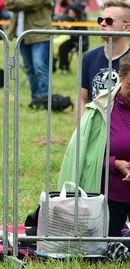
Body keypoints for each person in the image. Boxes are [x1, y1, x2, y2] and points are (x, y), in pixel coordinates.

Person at [58, 54, 130, 244]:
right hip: (112, 196)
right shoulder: (101, 109)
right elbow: (87, 157)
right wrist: (115, 163)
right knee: (104, 248)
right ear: (120, 78)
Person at [5, 0, 54, 108]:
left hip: (39, 32)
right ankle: (35, 100)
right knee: (30, 69)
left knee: (40, 67)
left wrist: (18, 0)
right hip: (22, 33)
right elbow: (8, 2)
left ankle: (44, 101)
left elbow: (35, 3)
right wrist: (24, 0)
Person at [80, 0, 130, 115]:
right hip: (96, 128)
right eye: (100, 20)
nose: (102, 23)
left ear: (126, 27)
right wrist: (83, 129)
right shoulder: (89, 57)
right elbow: (82, 98)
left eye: (109, 21)